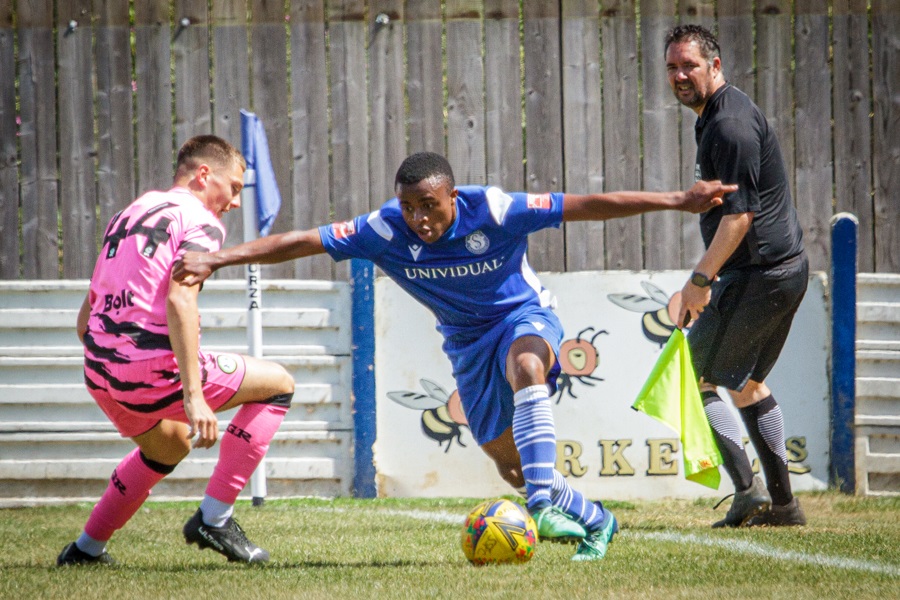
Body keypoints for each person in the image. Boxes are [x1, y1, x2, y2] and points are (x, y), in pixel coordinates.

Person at [173, 151, 735, 560]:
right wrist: (219, 259)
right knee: (507, 463)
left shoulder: (492, 209)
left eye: (430, 207)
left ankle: (543, 503)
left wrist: (676, 201)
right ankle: (596, 519)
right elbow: (301, 241)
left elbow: (585, 204)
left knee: (528, 367)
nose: (420, 218)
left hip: (523, 318)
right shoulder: (382, 230)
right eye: (409, 206)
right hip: (465, 343)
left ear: (452, 197)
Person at [57, 135, 295, 566]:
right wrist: (193, 395)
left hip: (98, 372)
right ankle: (215, 519)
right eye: (235, 188)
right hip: (149, 370)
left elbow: (85, 317)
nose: (235, 202)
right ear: (204, 175)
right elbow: (180, 299)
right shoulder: (200, 220)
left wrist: (114, 362)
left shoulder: (128, 213)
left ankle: (85, 550)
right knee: (279, 384)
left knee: (167, 448)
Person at [666, 24, 808, 528]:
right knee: (747, 383)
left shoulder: (728, 126)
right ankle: (785, 507)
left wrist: (699, 283)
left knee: (694, 377)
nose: (681, 75)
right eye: (673, 67)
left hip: (760, 276)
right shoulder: (717, 115)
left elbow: (739, 218)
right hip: (780, 271)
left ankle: (748, 493)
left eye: (690, 65)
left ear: (715, 66)